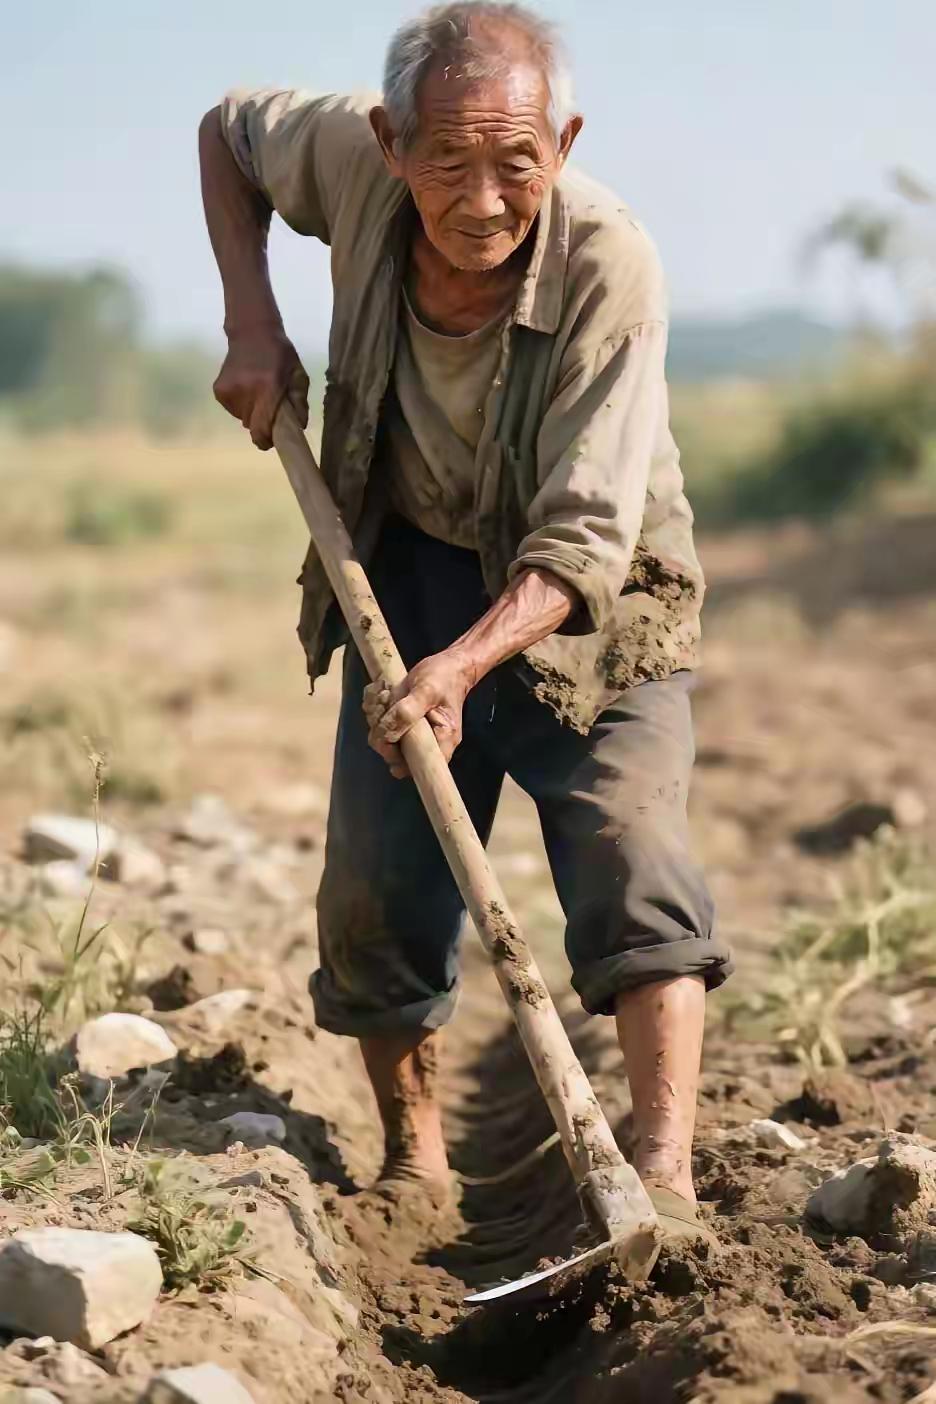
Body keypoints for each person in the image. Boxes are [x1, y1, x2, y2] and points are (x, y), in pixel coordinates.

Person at [199, 0, 732, 1242]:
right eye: (447, 161)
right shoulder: (342, 157)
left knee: (630, 850)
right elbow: (226, 133)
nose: (484, 197)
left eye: (516, 162)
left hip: (592, 591)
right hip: (411, 555)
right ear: (389, 144)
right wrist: (249, 316)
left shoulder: (612, 263)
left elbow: (585, 540)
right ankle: (414, 1167)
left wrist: (467, 666)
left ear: (565, 138)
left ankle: (658, 1174)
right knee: (380, 878)